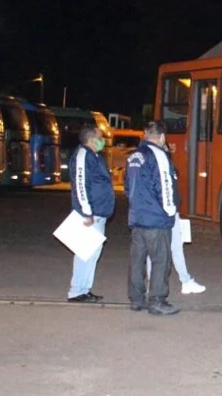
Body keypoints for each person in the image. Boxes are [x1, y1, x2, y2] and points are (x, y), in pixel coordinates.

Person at [124, 121, 180, 316]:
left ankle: (136, 299)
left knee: (137, 260)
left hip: (137, 217)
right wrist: (170, 211)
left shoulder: (134, 156)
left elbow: (128, 187)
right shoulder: (159, 155)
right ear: (162, 137)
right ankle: (157, 301)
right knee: (160, 260)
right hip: (156, 219)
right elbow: (165, 186)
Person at [144, 139, 206, 295]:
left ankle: (183, 280)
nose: (168, 148)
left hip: (167, 212)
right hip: (163, 213)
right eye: (165, 146)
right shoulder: (157, 163)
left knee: (173, 247)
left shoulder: (165, 163)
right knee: (158, 248)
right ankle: (160, 283)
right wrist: (170, 210)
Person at [66, 125, 114, 303]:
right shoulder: (83, 156)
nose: (103, 141)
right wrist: (87, 212)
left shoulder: (94, 156)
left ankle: (84, 289)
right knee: (85, 252)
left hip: (98, 212)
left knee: (92, 253)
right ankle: (77, 291)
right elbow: (81, 185)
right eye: (100, 137)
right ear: (91, 139)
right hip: (90, 214)